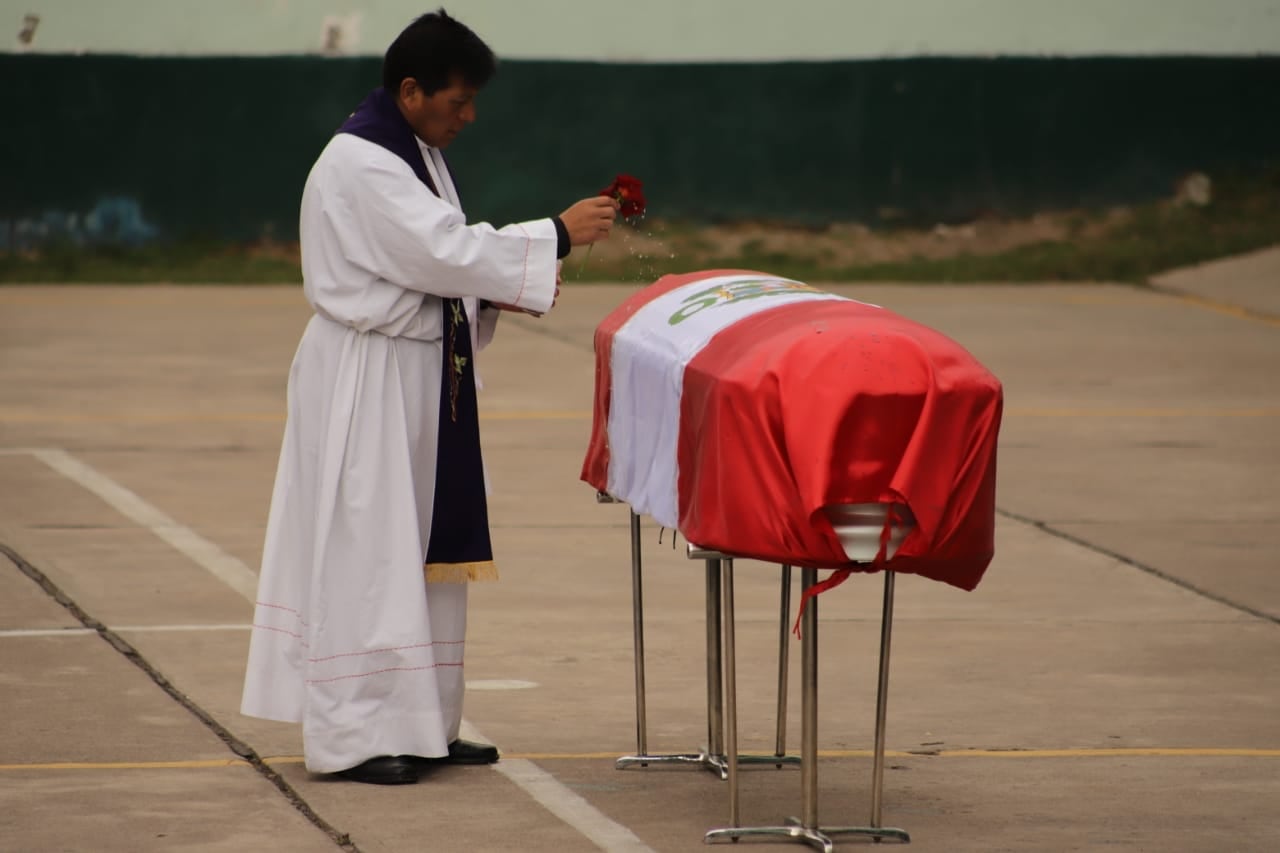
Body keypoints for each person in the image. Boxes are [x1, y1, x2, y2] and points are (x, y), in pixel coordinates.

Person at [239, 8, 617, 786]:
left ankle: (422, 722)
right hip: (366, 376)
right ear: (410, 90)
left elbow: (440, 259)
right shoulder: (361, 162)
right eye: (458, 100)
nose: (468, 116)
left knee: (421, 546)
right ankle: (351, 735)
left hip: (416, 374)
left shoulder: (412, 150)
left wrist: (498, 282)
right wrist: (555, 232)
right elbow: (444, 249)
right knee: (368, 549)